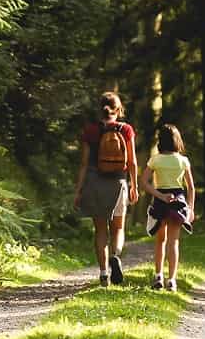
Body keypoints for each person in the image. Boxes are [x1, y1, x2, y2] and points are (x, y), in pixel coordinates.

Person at [72, 91, 139, 286]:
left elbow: (84, 163)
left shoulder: (91, 130)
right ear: (119, 109)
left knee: (100, 230)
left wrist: (78, 191)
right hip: (118, 182)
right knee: (118, 228)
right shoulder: (126, 129)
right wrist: (134, 185)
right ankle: (116, 256)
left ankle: (103, 274)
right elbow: (133, 161)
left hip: (94, 181)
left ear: (100, 109)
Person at [140, 124, 195, 291]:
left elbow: (143, 182)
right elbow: (191, 187)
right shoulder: (183, 161)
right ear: (177, 140)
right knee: (174, 242)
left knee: (160, 241)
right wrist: (191, 209)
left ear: (160, 141)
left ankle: (158, 276)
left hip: (160, 202)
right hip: (178, 202)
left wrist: (160, 196)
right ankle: (172, 280)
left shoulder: (155, 160)